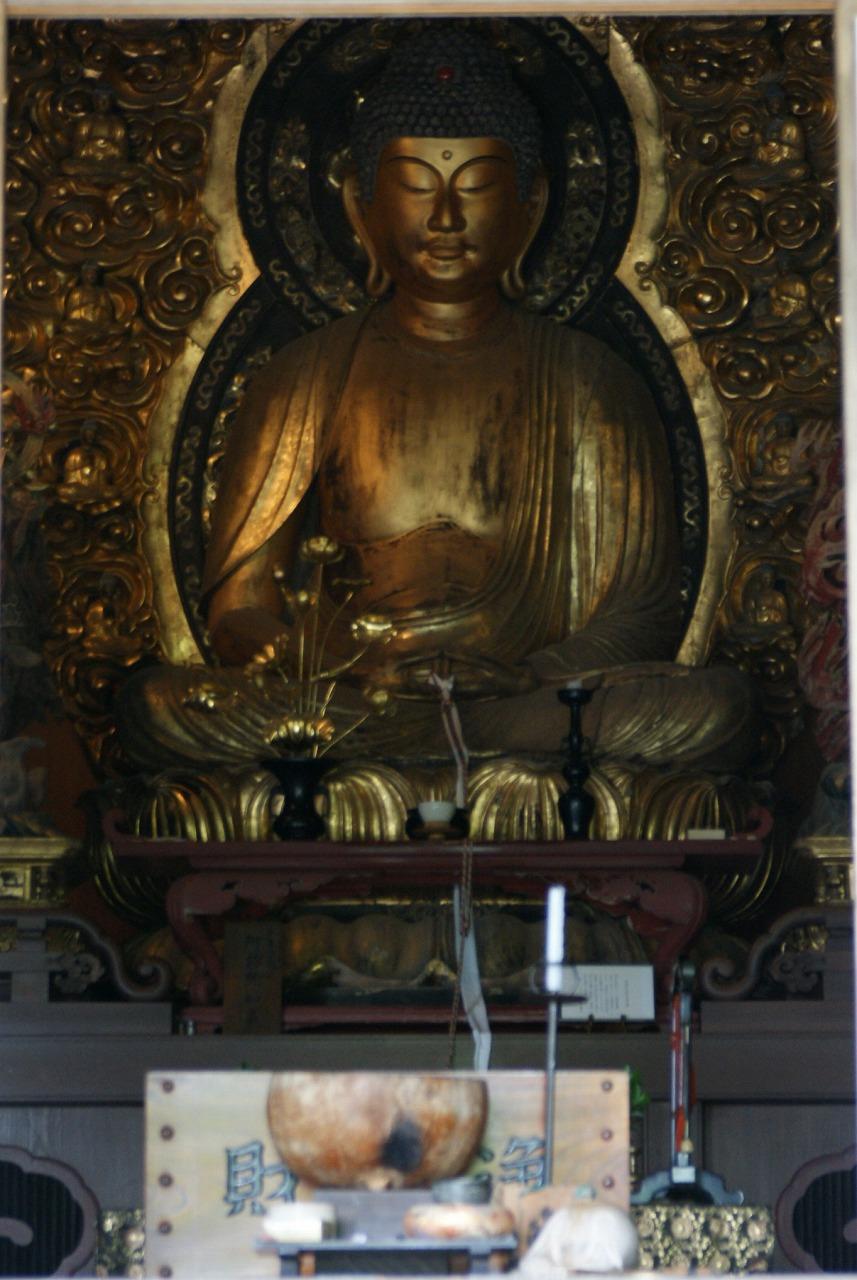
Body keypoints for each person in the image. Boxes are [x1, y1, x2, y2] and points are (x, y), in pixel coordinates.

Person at [120, 29, 753, 781]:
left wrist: (522, 675)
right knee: (159, 705)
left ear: (530, 206)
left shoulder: (591, 381)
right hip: (355, 702)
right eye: (417, 186)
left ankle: (389, 784)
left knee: (715, 707)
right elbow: (239, 617)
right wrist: (360, 668)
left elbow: (639, 617)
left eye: (477, 186)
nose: (446, 218)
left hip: (532, 705)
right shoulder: (303, 377)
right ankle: (477, 782)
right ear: (361, 208)